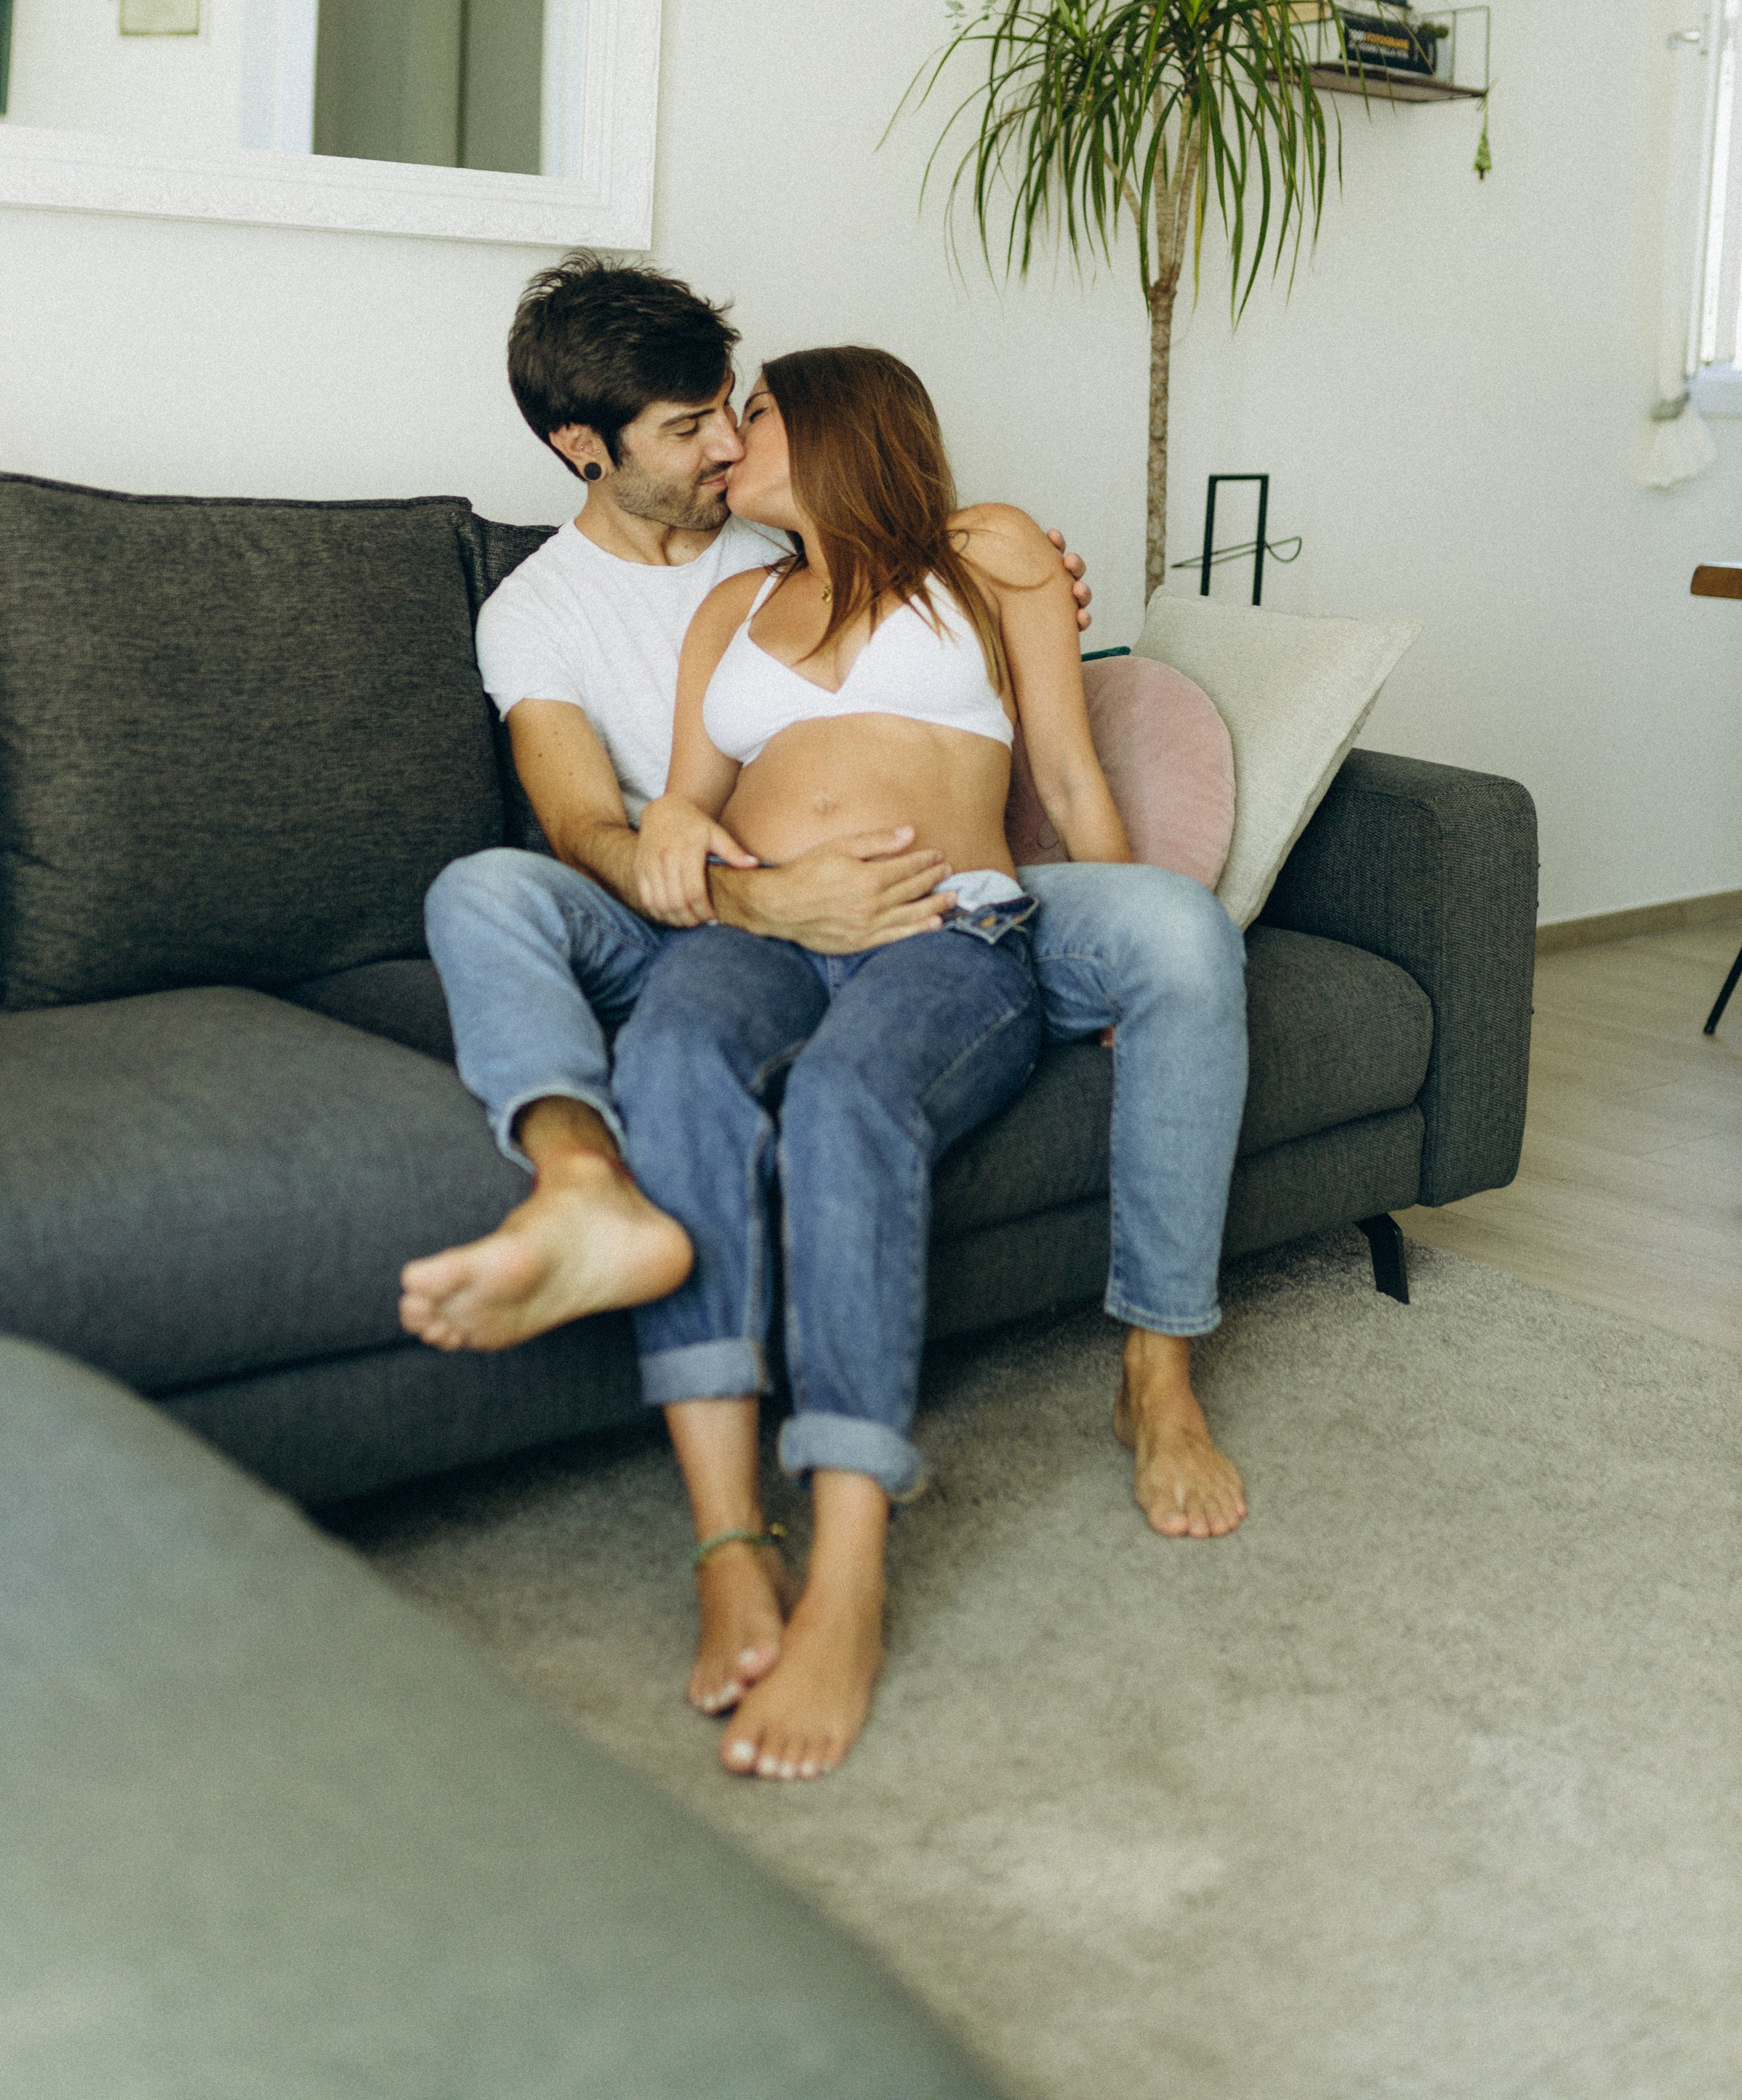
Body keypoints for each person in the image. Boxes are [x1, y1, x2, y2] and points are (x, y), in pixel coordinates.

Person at [398, 255, 1250, 1543]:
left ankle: (1156, 1371)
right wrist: (745, 890)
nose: (725, 445)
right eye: (691, 427)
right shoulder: (546, 613)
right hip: (702, 908)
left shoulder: (845, 547)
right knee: (484, 894)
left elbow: (1045, 738)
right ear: (585, 446)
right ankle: (581, 1186)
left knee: (1175, 935)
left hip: (939, 894)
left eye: (737, 408)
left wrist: (1027, 574)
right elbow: (591, 828)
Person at [611, 345, 1130, 1779]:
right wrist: (673, 836)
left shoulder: (987, 560)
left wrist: (1136, 958)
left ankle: (846, 1572)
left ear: (842, 424)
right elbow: (685, 811)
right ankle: (730, 1544)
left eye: (756, 414)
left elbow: (1069, 775)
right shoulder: (729, 607)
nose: (727, 444)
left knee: (846, 1099)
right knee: (666, 1055)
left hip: (944, 933)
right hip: (763, 931)